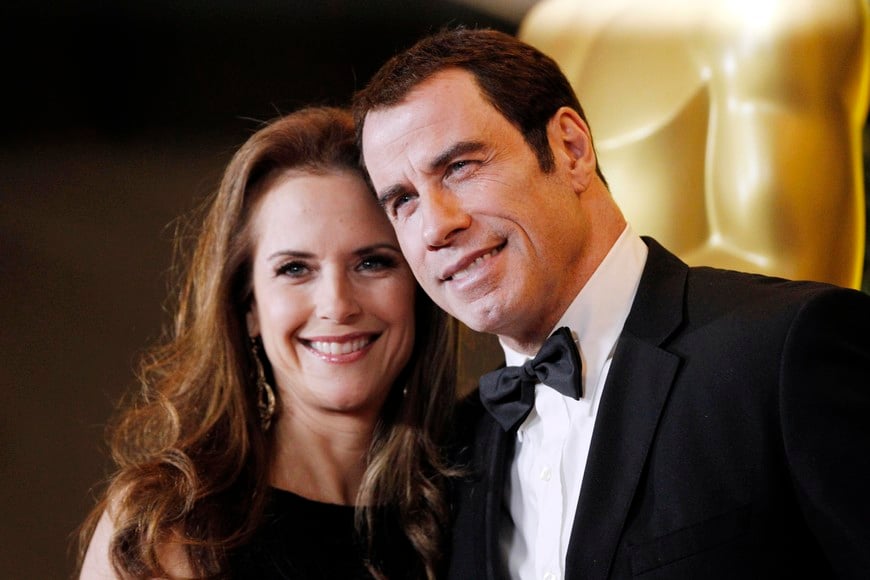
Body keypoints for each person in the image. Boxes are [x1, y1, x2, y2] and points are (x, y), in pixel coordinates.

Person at [353, 28, 870, 579]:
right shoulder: (454, 448)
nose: (435, 226)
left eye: (460, 167)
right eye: (403, 201)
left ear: (570, 149)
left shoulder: (786, 349)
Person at [77, 107, 457, 579]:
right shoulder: (169, 528)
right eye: (295, 269)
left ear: (418, 288)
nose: (337, 305)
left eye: (373, 263)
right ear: (249, 306)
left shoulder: (475, 506)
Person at [519, 0, 870, 289]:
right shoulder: (552, 25)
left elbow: (789, 274)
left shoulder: (780, 15)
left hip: (708, 353)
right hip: (554, 354)